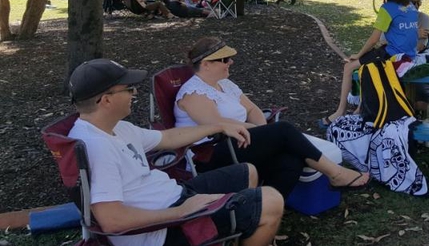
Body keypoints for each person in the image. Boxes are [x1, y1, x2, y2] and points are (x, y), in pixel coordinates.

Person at [67, 58, 283, 246]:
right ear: (106, 100)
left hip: (173, 196)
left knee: (248, 172)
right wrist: (181, 212)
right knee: (271, 201)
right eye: (128, 89)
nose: (134, 93)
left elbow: (168, 138)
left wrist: (218, 126)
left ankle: (237, 232)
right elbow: (112, 220)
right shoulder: (97, 146)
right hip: (160, 230)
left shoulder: (116, 126)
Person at [175, 38, 371, 198]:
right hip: (210, 154)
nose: (231, 62)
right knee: (283, 130)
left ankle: (263, 209)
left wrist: (264, 133)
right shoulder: (193, 93)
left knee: (291, 161)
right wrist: (265, 133)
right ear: (206, 64)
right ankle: (336, 174)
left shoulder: (225, 84)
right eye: (225, 59)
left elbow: (252, 108)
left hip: (241, 142)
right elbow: (217, 124)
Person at [320, 0, 419, 127]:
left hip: (393, 56)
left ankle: (340, 112)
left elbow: (373, 40)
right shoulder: (412, 7)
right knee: (364, 68)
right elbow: (407, 33)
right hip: (410, 55)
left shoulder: (387, 8)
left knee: (349, 67)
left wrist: (358, 54)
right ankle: (359, 109)